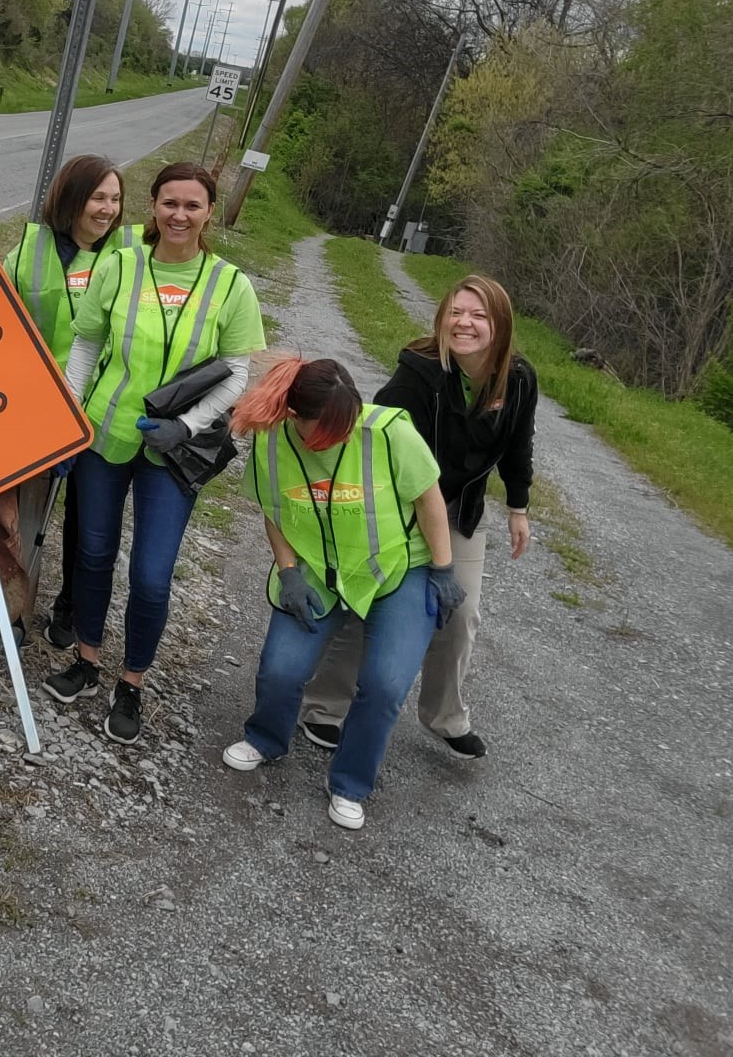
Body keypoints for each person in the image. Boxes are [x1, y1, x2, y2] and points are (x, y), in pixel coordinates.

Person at [43, 162, 264, 746]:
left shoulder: (230, 285)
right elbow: (86, 347)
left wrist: (187, 427)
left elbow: (238, 374)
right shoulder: (119, 266)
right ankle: (87, 661)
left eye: (192, 206)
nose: (179, 215)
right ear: (154, 206)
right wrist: (69, 419)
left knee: (151, 575)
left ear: (209, 212)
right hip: (105, 434)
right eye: (170, 203)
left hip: (174, 452)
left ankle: (131, 683)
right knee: (92, 555)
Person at [221, 357, 468, 832]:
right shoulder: (273, 443)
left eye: (348, 422)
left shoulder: (390, 431)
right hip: (316, 569)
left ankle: (351, 783)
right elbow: (275, 512)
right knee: (281, 667)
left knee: (385, 683)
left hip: (398, 569)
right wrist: (288, 572)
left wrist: (442, 568)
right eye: (327, 430)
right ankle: (266, 738)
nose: (342, 435)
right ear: (297, 419)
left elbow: (429, 498)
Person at [298, 274, 537, 760]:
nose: (464, 323)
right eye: (456, 312)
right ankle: (323, 707)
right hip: (399, 510)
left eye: (478, 315)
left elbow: (518, 441)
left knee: (460, 613)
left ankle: (445, 717)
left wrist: (518, 505)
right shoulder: (418, 373)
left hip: (460, 511)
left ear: (501, 326)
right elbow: (375, 444)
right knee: (372, 603)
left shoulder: (519, 378)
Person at [0, 156, 126, 645]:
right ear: (70, 199)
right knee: (23, 514)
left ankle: (69, 610)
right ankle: (12, 609)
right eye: (96, 197)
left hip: (100, 409)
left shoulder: (128, 255)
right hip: (35, 408)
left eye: (115, 198)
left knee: (88, 526)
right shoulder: (31, 251)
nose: (107, 209)